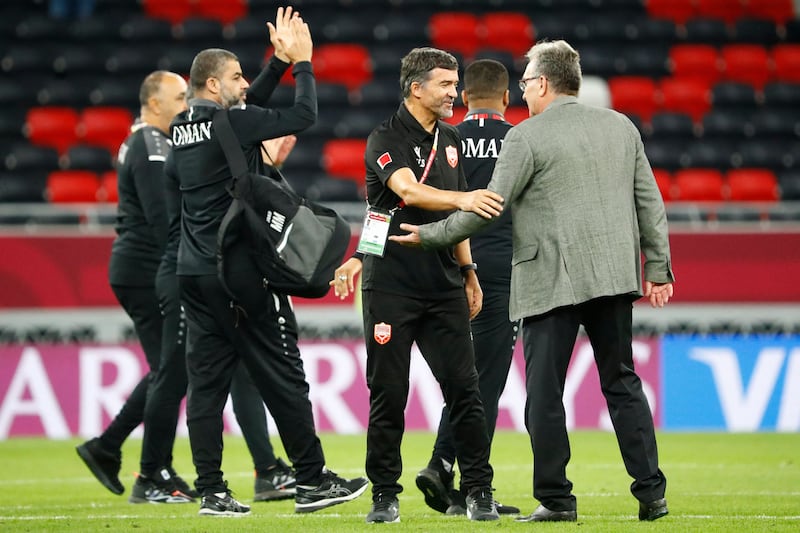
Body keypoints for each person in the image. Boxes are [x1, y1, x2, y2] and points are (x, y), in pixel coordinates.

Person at [390, 40, 674, 523]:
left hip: (549, 280)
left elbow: (486, 207)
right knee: (623, 382)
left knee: (544, 394)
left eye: (526, 83)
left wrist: (432, 236)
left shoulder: (528, 136)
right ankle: (652, 493)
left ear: (543, 83)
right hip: (612, 275)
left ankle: (557, 500)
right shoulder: (621, 126)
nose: (522, 93)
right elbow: (649, 201)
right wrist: (659, 268)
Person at [164, 7, 367, 517]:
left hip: (193, 269)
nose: (243, 83)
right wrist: (302, 64)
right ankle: (313, 479)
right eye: (235, 77)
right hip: (240, 270)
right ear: (213, 83)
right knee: (283, 372)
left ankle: (211, 490)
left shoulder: (180, 131)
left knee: (207, 384)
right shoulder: (230, 122)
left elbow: (246, 107)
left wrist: (275, 61)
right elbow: (304, 116)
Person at [77, 70, 296, 505]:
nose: (185, 105)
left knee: (183, 368)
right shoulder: (152, 146)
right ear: (153, 103)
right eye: (178, 97)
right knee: (173, 370)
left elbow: (230, 123)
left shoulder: (157, 142)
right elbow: (165, 220)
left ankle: (117, 450)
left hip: (153, 266)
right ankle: (146, 468)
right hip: (153, 268)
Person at [330, 47, 505, 524]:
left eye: (456, 84)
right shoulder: (383, 138)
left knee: (465, 391)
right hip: (392, 287)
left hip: (445, 283)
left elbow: (454, 217)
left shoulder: (450, 138)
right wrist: (364, 258)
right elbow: (405, 192)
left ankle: (478, 490)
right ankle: (385, 494)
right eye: (447, 85)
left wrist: (469, 272)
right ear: (416, 88)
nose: (455, 93)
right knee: (389, 392)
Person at [416, 58, 520, 517]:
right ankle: (468, 481)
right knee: (486, 381)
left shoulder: (445, 138)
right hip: (501, 266)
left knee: (465, 374)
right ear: (506, 98)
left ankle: (442, 465)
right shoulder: (519, 139)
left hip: (450, 264)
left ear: (462, 96)